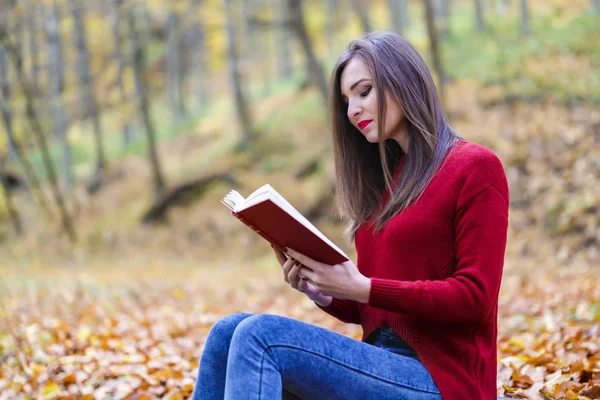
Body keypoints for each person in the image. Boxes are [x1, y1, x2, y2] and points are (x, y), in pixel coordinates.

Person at [192, 31, 509, 400]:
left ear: (403, 81)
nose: (351, 110)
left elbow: (475, 298)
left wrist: (362, 287)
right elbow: (371, 309)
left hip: (442, 380)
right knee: (227, 331)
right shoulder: (386, 187)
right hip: (380, 364)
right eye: (346, 100)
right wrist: (320, 289)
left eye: (363, 91)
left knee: (259, 336)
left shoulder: (474, 168)